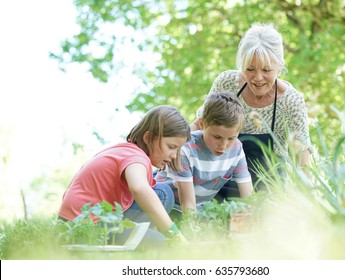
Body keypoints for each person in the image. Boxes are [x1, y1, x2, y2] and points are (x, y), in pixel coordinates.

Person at [191, 22, 313, 195]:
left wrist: (308, 199)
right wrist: (177, 153)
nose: (258, 78)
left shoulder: (291, 101)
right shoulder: (227, 83)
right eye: (250, 69)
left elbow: (302, 154)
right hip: (219, 175)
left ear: (279, 66)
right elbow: (200, 124)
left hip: (268, 183)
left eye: (266, 69)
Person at [58, 105, 191, 245]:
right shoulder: (136, 157)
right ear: (148, 137)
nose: (174, 155)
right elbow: (139, 188)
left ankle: (138, 237)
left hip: (72, 225)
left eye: (178, 149)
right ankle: (131, 242)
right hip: (88, 228)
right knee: (168, 246)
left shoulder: (125, 151)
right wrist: (173, 233)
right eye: (171, 147)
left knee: (162, 192)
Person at [155, 92, 253, 214]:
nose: (223, 146)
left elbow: (248, 196)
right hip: (167, 206)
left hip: (199, 209)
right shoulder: (186, 149)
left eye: (231, 138)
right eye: (217, 137)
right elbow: (188, 204)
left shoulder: (237, 148)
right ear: (202, 124)